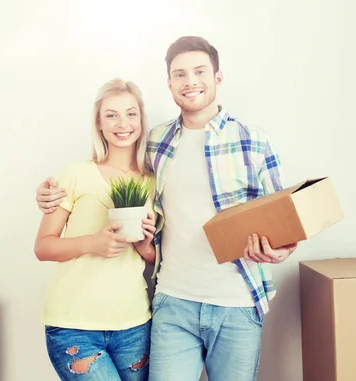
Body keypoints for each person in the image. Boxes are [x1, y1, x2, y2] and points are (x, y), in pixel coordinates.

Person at [36, 36, 298, 381]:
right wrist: (46, 193)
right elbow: (108, 173)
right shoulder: (158, 144)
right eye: (180, 74)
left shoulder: (254, 140)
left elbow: (284, 221)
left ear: (217, 78)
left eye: (199, 71)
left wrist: (280, 250)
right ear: (169, 83)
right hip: (172, 304)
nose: (190, 81)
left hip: (237, 301)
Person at [33, 78, 157, 381]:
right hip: (73, 326)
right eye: (111, 115)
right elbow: (43, 247)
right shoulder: (75, 174)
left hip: (134, 324)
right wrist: (93, 243)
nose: (122, 123)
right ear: (99, 123)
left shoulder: (154, 182)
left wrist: (144, 248)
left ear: (141, 120)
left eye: (130, 113)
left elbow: (157, 258)